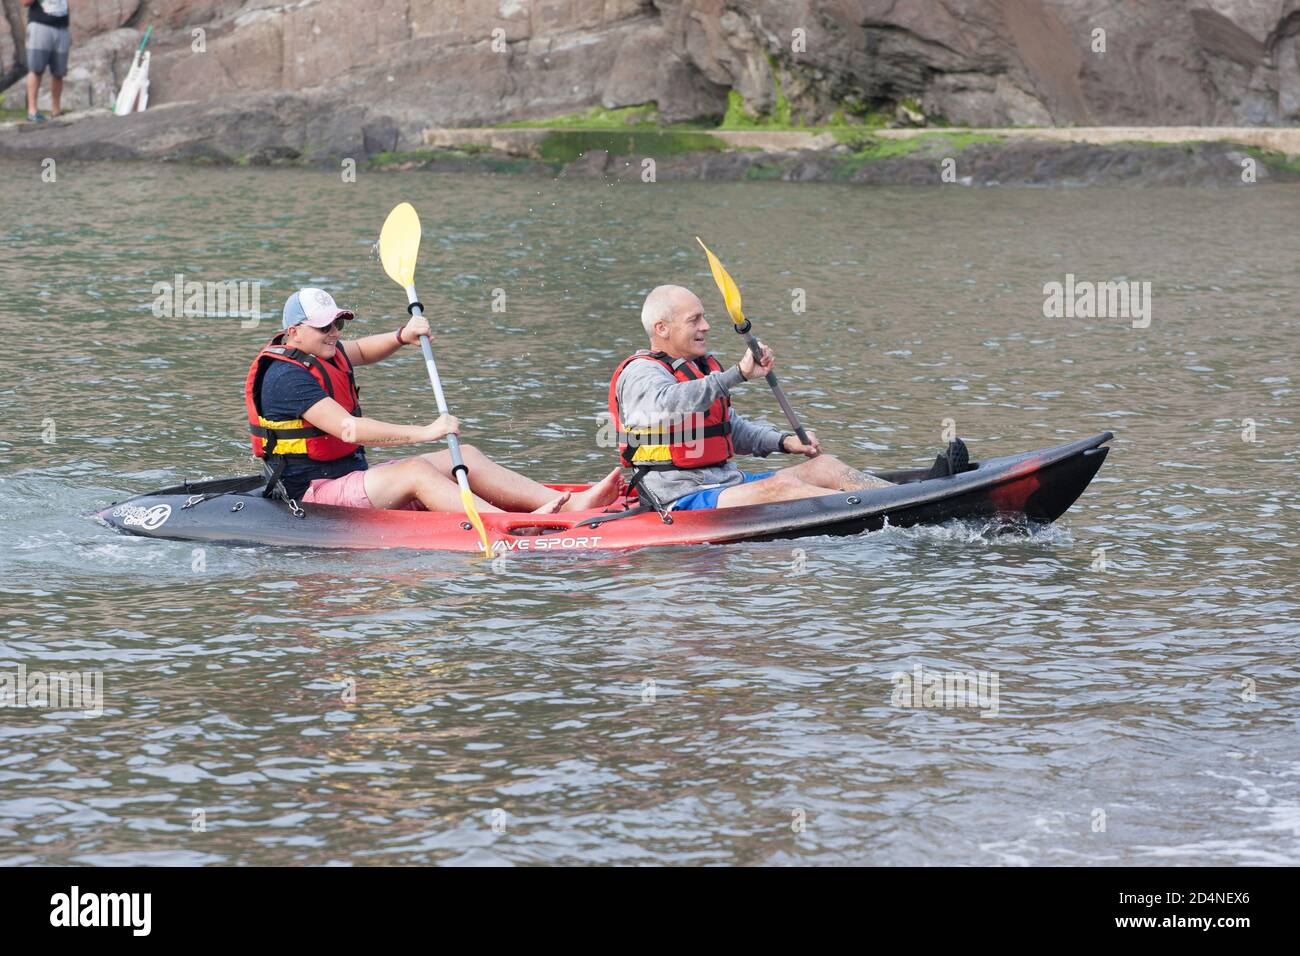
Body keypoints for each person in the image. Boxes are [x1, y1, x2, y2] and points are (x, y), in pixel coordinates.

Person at [247, 288, 622, 513]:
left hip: (349, 477)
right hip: (311, 494)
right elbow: (349, 429)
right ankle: (506, 523)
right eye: (324, 327)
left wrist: (401, 335)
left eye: (337, 325)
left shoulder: (324, 351)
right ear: (293, 332)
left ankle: (571, 504)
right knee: (414, 470)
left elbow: (361, 348)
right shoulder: (285, 377)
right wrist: (425, 432)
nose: (333, 333)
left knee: (467, 455)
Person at [609, 285, 969, 511]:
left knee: (824, 466)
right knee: (784, 485)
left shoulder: (697, 367)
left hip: (723, 484)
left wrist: (784, 443)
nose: (705, 326)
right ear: (662, 328)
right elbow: (671, 405)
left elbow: (727, 430)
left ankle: (907, 495)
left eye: (704, 318)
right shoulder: (641, 374)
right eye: (695, 319)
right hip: (678, 497)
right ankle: (901, 508)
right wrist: (737, 374)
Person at [22, 0, 71, 122]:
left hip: (62, 26)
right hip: (40, 25)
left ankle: (56, 110)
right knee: (36, 69)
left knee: (59, 72)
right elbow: (24, 2)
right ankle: (32, 111)